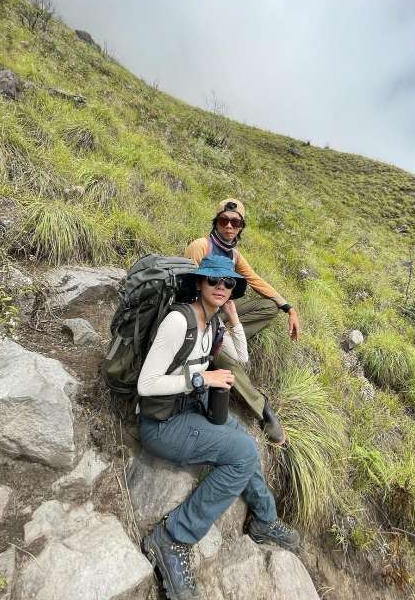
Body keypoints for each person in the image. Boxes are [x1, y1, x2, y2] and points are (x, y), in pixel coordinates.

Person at [138, 255, 300, 600]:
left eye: (228, 283)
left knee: (242, 436)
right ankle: (172, 538)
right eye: (213, 281)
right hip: (161, 424)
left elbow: (241, 357)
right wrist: (202, 377)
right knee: (243, 452)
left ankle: (264, 520)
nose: (221, 287)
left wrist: (233, 316)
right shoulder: (178, 321)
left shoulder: (212, 324)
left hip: (187, 410)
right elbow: (146, 384)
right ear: (199, 283)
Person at [185, 198, 301, 445]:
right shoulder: (200, 246)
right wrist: (205, 324)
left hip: (220, 310)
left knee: (269, 306)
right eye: (224, 220)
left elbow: (256, 281)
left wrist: (289, 308)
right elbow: (186, 286)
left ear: (240, 227)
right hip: (198, 314)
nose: (229, 226)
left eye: (235, 222)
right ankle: (263, 409)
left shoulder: (234, 254)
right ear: (216, 222)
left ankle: (226, 335)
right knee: (228, 363)